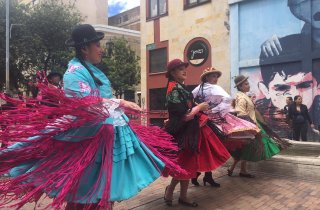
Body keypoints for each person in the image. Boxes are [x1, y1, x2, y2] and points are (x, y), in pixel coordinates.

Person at [0, 24, 183, 210]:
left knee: (100, 194)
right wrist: (120, 102)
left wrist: (117, 104)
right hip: (88, 141)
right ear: (84, 48)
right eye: (97, 45)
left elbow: (96, 100)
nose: (101, 50)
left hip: (102, 139)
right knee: (86, 195)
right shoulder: (73, 73)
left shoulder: (87, 69)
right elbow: (85, 104)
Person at [163, 59, 230, 207]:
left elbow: (181, 112)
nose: (184, 71)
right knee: (184, 164)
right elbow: (184, 116)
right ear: (173, 73)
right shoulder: (174, 90)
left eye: (184, 68)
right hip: (183, 133)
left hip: (189, 131)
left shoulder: (180, 88)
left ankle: (181, 195)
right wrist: (199, 107)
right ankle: (174, 192)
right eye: (180, 69)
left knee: (186, 164)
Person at [191, 67, 260, 186]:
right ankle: (201, 174)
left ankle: (202, 175)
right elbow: (228, 100)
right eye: (213, 76)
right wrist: (214, 109)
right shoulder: (214, 88)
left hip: (201, 121)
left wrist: (201, 109)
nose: (216, 78)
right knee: (210, 148)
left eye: (216, 76)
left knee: (206, 148)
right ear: (207, 77)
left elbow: (191, 100)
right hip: (213, 122)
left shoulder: (198, 88)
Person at [228, 75, 288, 178]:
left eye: (247, 83)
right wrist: (251, 127)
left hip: (251, 125)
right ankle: (238, 169)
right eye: (246, 84)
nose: (248, 85)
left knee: (245, 149)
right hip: (249, 126)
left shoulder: (243, 96)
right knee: (248, 148)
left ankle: (239, 170)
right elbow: (241, 114)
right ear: (240, 86)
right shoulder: (242, 98)